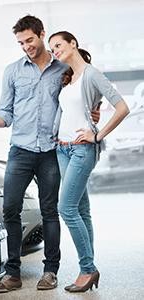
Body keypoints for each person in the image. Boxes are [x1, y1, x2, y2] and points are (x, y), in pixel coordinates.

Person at [0, 16, 99, 293]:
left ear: (41, 35)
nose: (26, 46)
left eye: (30, 40)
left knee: (51, 211)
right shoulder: (12, 71)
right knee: (10, 208)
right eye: (21, 42)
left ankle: (50, 271)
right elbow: (6, 112)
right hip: (21, 151)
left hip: (52, 151)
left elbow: (82, 97)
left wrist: (93, 112)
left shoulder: (63, 67)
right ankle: (12, 273)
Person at [48, 31, 129, 293]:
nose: (55, 51)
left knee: (66, 209)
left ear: (73, 44)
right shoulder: (69, 78)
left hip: (82, 150)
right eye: (52, 49)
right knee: (81, 210)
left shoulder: (92, 74)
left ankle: (87, 269)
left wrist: (97, 135)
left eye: (58, 45)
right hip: (63, 149)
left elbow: (122, 107)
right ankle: (88, 267)